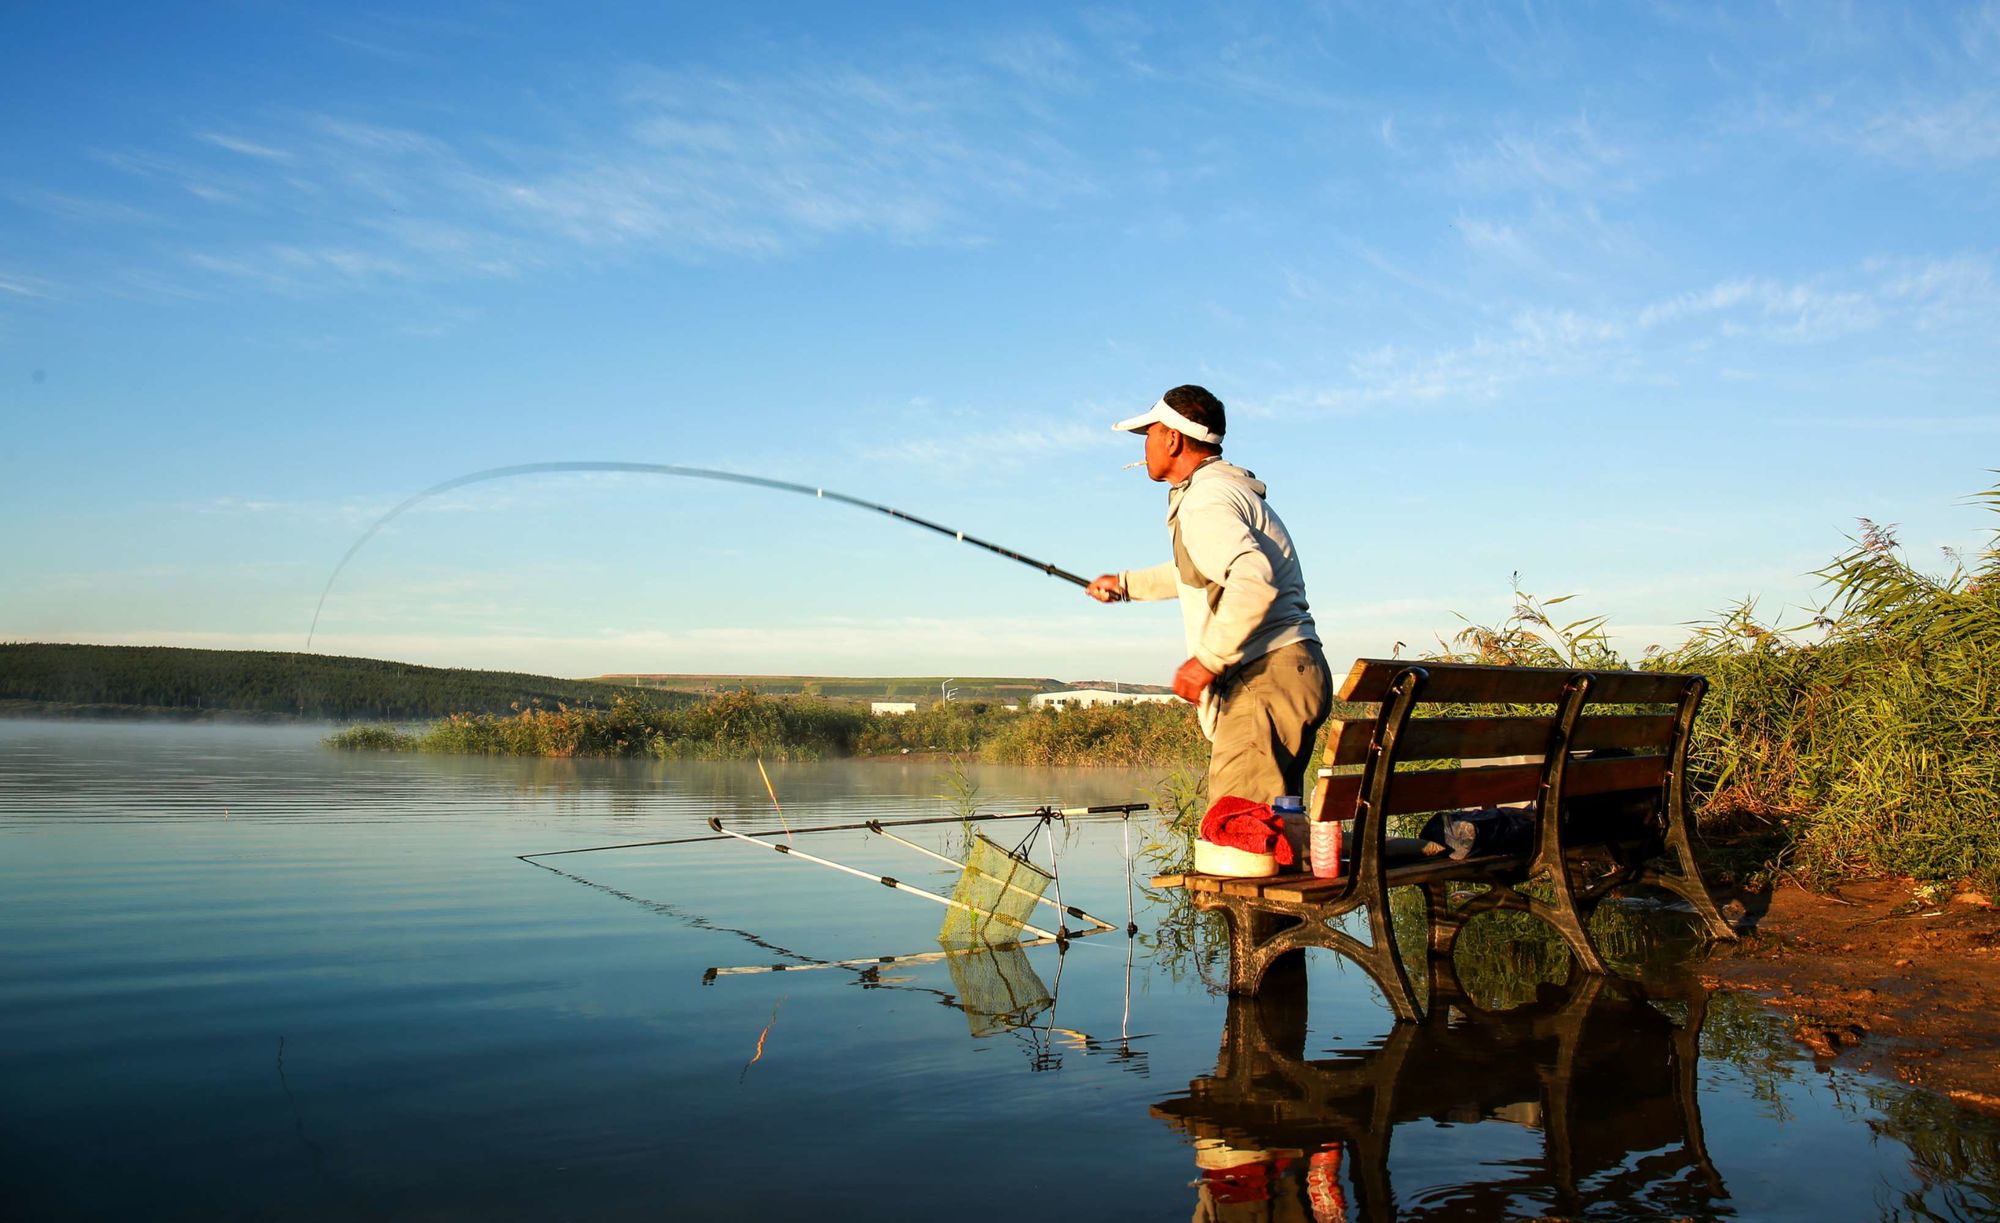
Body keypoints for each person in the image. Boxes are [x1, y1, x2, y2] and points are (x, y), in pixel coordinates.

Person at [1086, 385, 1331, 806]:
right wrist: (1126, 585)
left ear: (1172, 438)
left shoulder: (1205, 499)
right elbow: (1202, 572)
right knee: (1273, 830)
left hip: (1264, 677)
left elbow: (1252, 577)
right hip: (1292, 672)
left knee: (1237, 835)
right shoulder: (1224, 490)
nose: (1145, 446)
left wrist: (1206, 661)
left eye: (1148, 434)